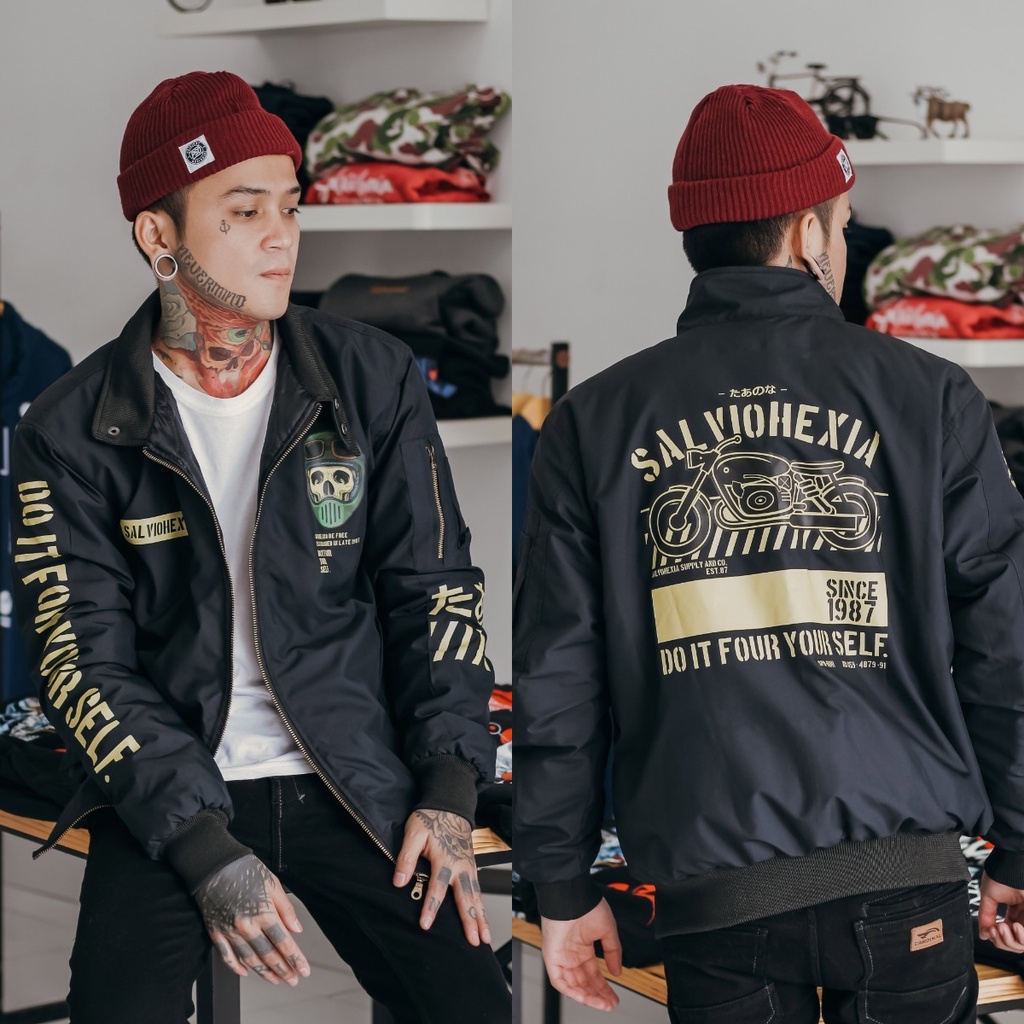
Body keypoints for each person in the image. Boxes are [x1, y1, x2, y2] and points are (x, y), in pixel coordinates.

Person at [513, 83, 1024, 1023]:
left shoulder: (594, 421)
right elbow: (1005, 651)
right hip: (904, 884)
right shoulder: (932, 397)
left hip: (715, 898)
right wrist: (1022, 849)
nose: (842, 245)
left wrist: (561, 884)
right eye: (843, 224)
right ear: (805, 234)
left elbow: (560, 679)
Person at [9, 70, 509, 1024]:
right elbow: (82, 662)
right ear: (158, 236)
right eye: (244, 212)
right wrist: (203, 851)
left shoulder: (371, 377)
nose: (282, 236)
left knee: (473, 1007)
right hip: (170, 789)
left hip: (353, 772)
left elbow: (435, 589)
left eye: (290, 205)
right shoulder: (68, 427)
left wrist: (450, 786)